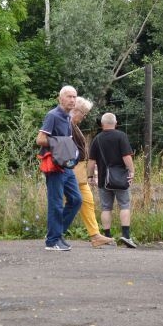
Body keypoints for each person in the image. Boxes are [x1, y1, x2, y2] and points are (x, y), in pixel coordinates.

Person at [36, 85, 83, 251]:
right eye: (69, 96)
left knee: (76, 200)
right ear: (60, 98)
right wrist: (60, 142)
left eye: (74, 97)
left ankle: (57, 233)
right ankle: (52, 241)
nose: (72, 100)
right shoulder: (53, 115)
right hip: (54, 165)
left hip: (66, 165)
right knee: (56, 203)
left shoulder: (69, 117)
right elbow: (40, 139)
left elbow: (68, 142)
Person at [69, 97, 115, 247]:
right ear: (76, 111)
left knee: (87, 201)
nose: (85, 117)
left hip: (79, 170)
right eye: (84, 113)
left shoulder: (73, 125)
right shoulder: (67, 125)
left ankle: (95, 235)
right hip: (72, 170)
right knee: (66, 202)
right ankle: (54, 233)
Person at [88, 112, 137, 248]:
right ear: (115, 123)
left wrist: (90, 177)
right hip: (121, 178)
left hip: (104, 179)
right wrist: (132, 171)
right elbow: (126, 156)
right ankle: (126, 236)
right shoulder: (121, 136)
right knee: (124, 205)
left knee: (106, 207)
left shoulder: (97, 139)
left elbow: (91, 161)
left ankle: (107, 237)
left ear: (102, 124)